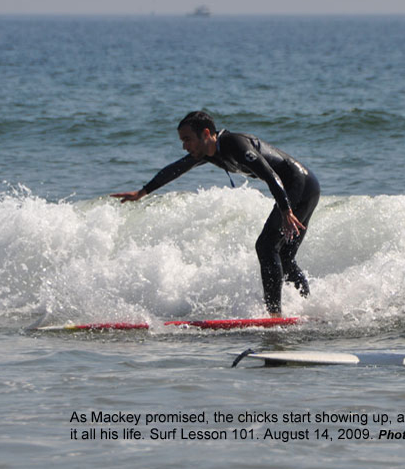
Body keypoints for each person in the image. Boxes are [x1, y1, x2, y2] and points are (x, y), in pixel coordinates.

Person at [111, 111, 320, 317]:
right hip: (304, 187)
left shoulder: (235, 144)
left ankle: (275, 315)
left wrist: (285, 210)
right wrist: (143, 192)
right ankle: (308, 307)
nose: (184, 146)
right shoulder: (210, 153)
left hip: (299, 185)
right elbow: (177, 168)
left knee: (266, 246)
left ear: (206, 133)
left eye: (187, 139)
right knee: (284, 256)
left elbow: (270, 174)